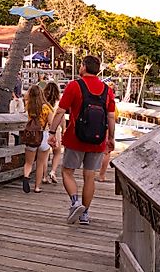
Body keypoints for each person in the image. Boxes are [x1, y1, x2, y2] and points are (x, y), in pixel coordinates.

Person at [48, 55, 115, 225]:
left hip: (75, 138)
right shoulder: (107, 90)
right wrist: (111, 138)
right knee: (89, 177)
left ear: (84, 67)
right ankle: (85, 214)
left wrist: (52, 132)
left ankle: (75, 201)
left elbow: (60, 111)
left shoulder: (74, 86)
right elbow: (111, 117)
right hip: (98, 140)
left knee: (67, 172)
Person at [21, 84, 54, 194]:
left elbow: (25, 96)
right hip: (43, 135)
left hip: (31, 135)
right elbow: (51, 123)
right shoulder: (46, 107)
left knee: (28, 162)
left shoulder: (29, 106)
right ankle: (37, 187)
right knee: (40, 163)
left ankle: (26, 176)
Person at [42, 81, 64, 184]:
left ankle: (44, 176)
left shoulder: (43, 102)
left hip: (45, 129)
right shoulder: (59, 103)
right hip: (56, 129)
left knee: (45, 154)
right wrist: (64, 129)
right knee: (57, 152)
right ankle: (53, 171)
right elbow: (62, 117)